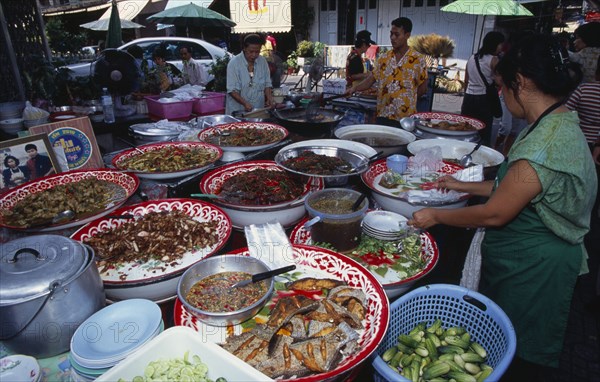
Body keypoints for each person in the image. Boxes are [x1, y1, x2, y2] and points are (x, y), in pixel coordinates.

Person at [409, 34, 596, 380]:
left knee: (518, 354)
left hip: (535, 271)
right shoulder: (555, 120)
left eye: (502, 87)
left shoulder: (545, 146)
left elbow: (496, 211)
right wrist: (459, 184)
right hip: (524, 258)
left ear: (520, 83)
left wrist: (436, 215)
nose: (501, 95)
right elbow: (511, 188)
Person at [346, 17, 428, 127]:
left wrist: (406, 97)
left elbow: (423, 89)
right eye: (391, 34)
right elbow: (371, 80)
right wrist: (354, 88)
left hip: (405, 119)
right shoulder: (383, 58)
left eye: (397, 34)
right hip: (383, 116)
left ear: (407, 35)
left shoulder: (418, 60)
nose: (392, 38)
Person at [461, 31, 505, 147]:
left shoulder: (471, 58)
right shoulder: (494, 60)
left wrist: (467, 93)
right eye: (500, 44)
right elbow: (499, 81)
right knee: (483, 132)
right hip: (484, 100)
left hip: (469, 98)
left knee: (466, 129)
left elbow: (466, 80)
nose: (501, 47)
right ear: (495, 44)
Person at [226, 34, 273, 114]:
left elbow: (267, 84)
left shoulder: (263, 62)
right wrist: (245, 103)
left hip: (258, 110)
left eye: (257, 52)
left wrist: (269, 99)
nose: (254, 55)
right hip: (238, 111)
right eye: (251, 51)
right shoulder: (234, 63)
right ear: (244, 48)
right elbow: (232, 90)